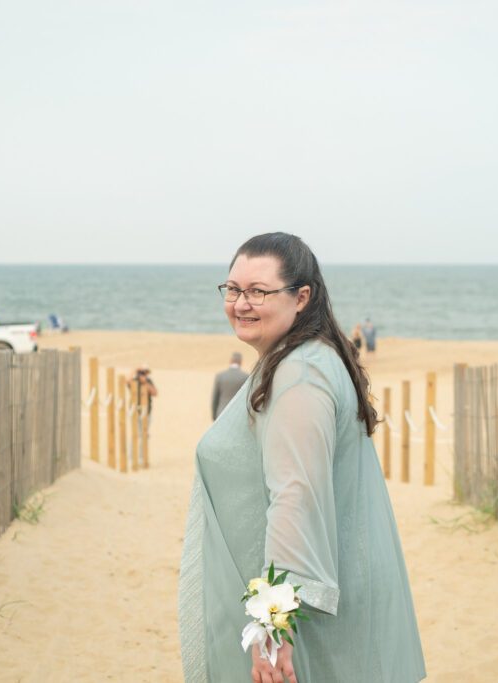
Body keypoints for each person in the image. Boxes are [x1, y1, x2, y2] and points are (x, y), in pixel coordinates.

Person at [179, 233, 426, 683]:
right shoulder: (302, 359)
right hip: (324, 594)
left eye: (258, 291)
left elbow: (296, 496)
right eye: (232, 289)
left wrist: (273, 627)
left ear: (301, 297)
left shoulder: (301, 374)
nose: (240, 304)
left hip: (308, 616)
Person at [211, 352, 249, 420]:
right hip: (238, 415)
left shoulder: (220, 376)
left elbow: (215, 399)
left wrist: (214, 416)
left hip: (221, 413)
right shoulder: (245, 377)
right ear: (240, 362)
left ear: (230, 361)